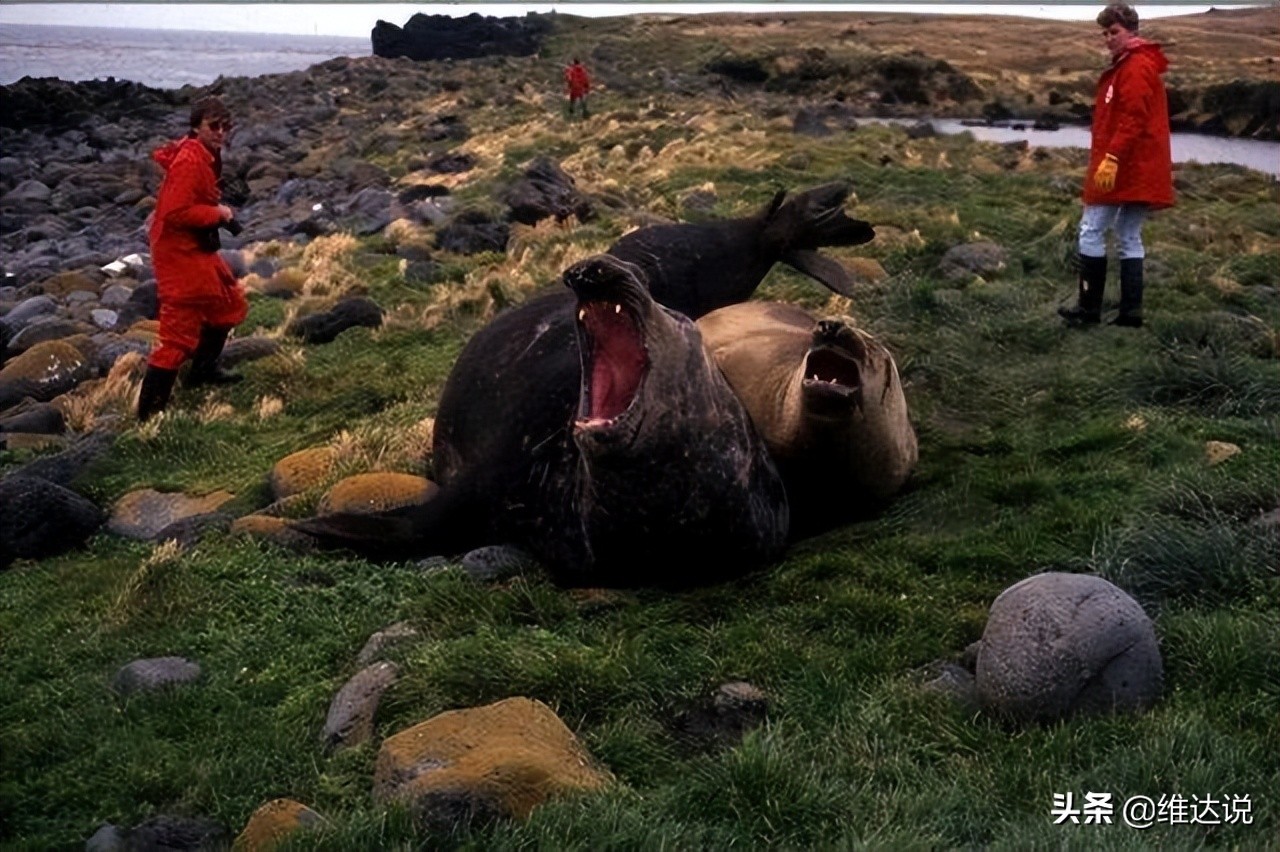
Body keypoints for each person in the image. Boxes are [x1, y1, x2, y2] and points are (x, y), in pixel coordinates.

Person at [1058, 3, 1174, 329]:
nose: (1108, 38)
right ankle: (1130, 314)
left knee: (1091, 230)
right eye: (1105, 33)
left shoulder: (1135, 67)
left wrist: (1111, 158)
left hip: (1126, 165)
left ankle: (1089, 310)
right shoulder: (1133, 64)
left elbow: (1133, 119)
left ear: (1131, 31)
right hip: (1140, 165)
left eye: (1115, 32)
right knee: (1128, 234)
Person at [137, 95, 249, 421]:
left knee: (227, 303)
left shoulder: (204, 153)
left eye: (226, 126)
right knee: (177, 335)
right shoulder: (189, 160)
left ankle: (203, 371)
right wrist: (218, 213)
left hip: (195, 247)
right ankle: (149, 417)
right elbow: (176, 212)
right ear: (196, 127)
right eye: (213, 126)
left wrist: (217, 215)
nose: (221, 132)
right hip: (177, 253)